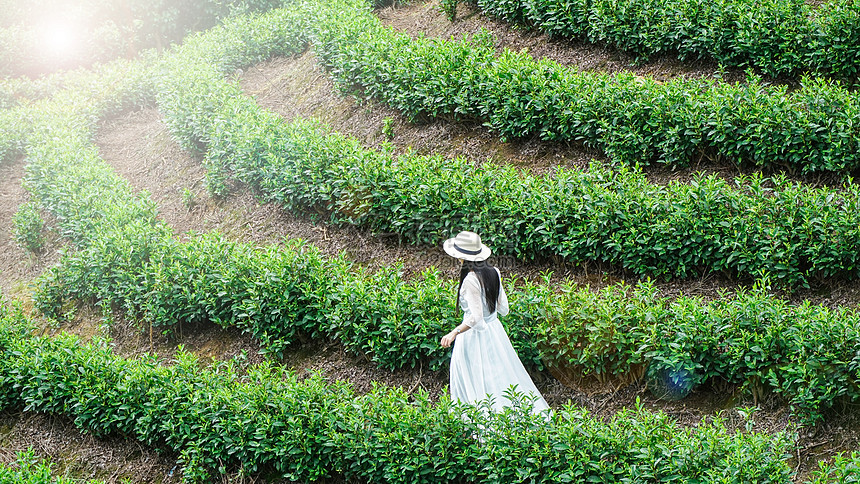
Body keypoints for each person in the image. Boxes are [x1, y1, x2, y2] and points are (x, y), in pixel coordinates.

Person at [440, 231, 550, 416]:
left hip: (473, 337)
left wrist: (454, 333)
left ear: (462, 257)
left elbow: (476, 318)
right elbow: (503, 308)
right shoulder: (494, 272)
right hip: (495, 333)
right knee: (500, 374)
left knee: (477, 378)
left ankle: (481, 419)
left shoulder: (470, 281)